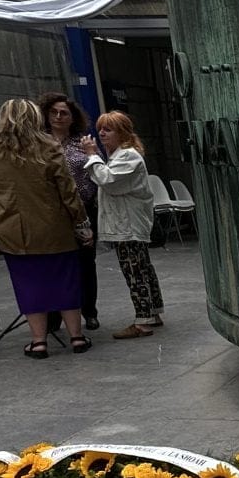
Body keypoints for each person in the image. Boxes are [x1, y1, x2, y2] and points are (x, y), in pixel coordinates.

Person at [0, 96, 92, 358]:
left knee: (27, 283)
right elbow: (67, 190)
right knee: (66, 280)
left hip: (11, 228)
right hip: (53, 226)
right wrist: (81, 222)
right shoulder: (49, 146)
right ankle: (77, 337)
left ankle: (38, 342)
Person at [83, 111, 164, 339]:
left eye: (108, 129)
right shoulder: (121, 155)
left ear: (122, 132)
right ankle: (153, 312)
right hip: (127, 224)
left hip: (127, 226)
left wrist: (92, 155)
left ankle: (143, 321)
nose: (101, 133)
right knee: (143, 269)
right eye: (101, 129)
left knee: (134, 271)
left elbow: (107, 180)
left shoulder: (128, 156)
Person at [38, 92, 99, 330]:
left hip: (83, 208)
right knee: (56, 264)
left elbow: (96, 170)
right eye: (54, 112)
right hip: (51, 212)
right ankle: (55, 315)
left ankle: (89, 310)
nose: (59, 117)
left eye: (64, 113)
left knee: (85, 262)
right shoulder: (39, 142)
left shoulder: (81, 142)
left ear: (73, 118)